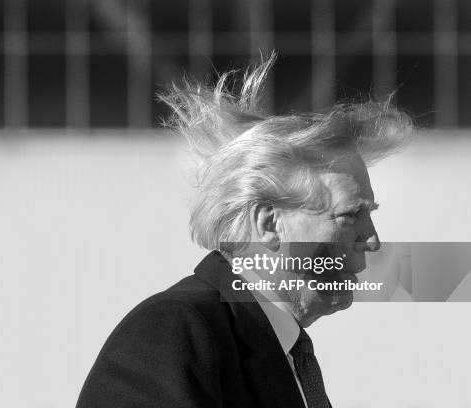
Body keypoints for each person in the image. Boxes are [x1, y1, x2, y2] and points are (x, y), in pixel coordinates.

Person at [76, 55, 412, 408]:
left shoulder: (284, 355)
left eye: (368, 214)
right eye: (349, 215)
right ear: (268, 225)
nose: (372, 240)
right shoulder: (172, 332)